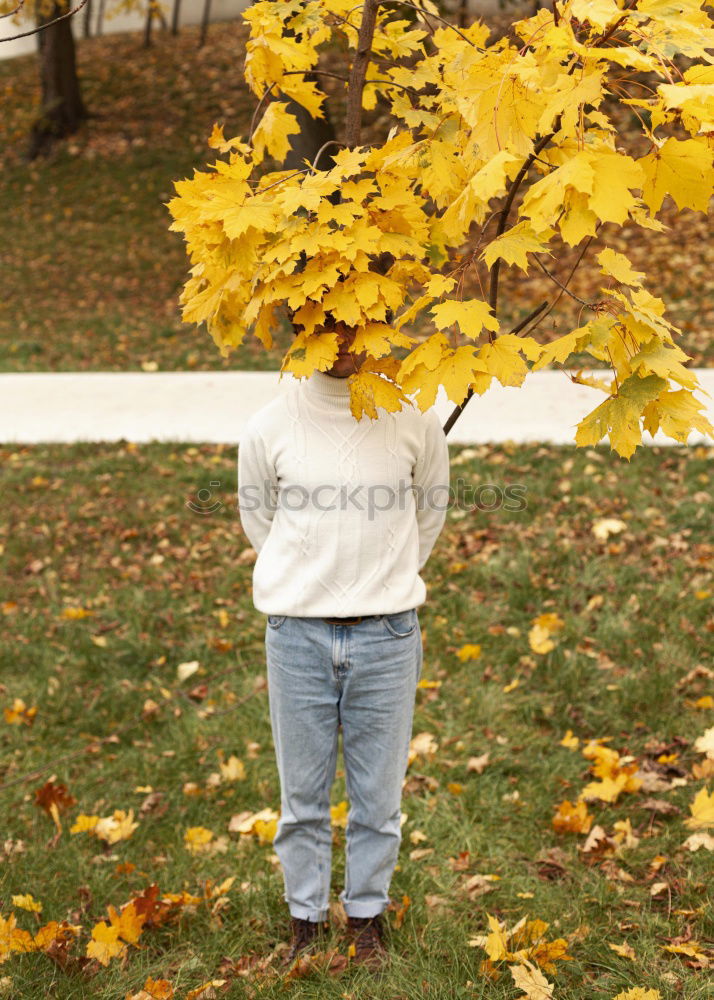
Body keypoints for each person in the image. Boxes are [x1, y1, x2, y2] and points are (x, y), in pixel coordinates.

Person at [237, 321, 450, 972]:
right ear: (302, 329)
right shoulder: (271, 425)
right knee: (301, 797)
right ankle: (304, 917)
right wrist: (312, 582)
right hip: (296, 634)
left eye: (357, 322)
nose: (343, 338)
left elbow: (429, 513)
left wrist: (383, 578)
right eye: (324, 324)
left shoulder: (412, 417)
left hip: (386, 633)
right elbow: (260, 520)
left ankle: (365, 919)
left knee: (378, 799)